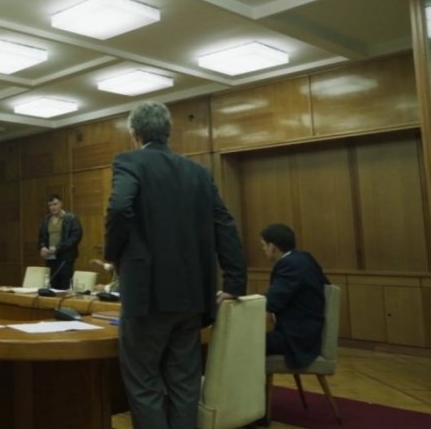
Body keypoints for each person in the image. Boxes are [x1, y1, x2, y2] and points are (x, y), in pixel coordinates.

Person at [104, 101, 247, 429]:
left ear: (135, 134)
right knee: (185, 382)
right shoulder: (198, 172)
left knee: (144, 382)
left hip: (147, 295)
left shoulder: (130, 161)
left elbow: (120, 206)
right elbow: (224, 224)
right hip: (193, 295)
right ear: (167, 132)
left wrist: (114, 254)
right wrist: (235, 282)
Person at [261, 223, 330, 369]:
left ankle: (244, 383)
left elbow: (272, 301)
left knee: (240, 342)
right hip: (305, 334)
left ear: (272, 247)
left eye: (264, 245)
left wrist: (245, 302)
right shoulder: (304, 258)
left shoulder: (290, 265)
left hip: (296, 340)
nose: (263, 249)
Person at [37, 194, 83, 289]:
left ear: (61, 204)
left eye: (55, 204)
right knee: (51, 285)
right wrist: (42, 247)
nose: (53, 207)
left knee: (64, 286)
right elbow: (41, 237)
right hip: (50, 258)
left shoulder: (71, 218)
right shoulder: (46, 220)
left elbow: (75, 238)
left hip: (65, 258)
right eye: (50, 205)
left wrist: (58, 248)